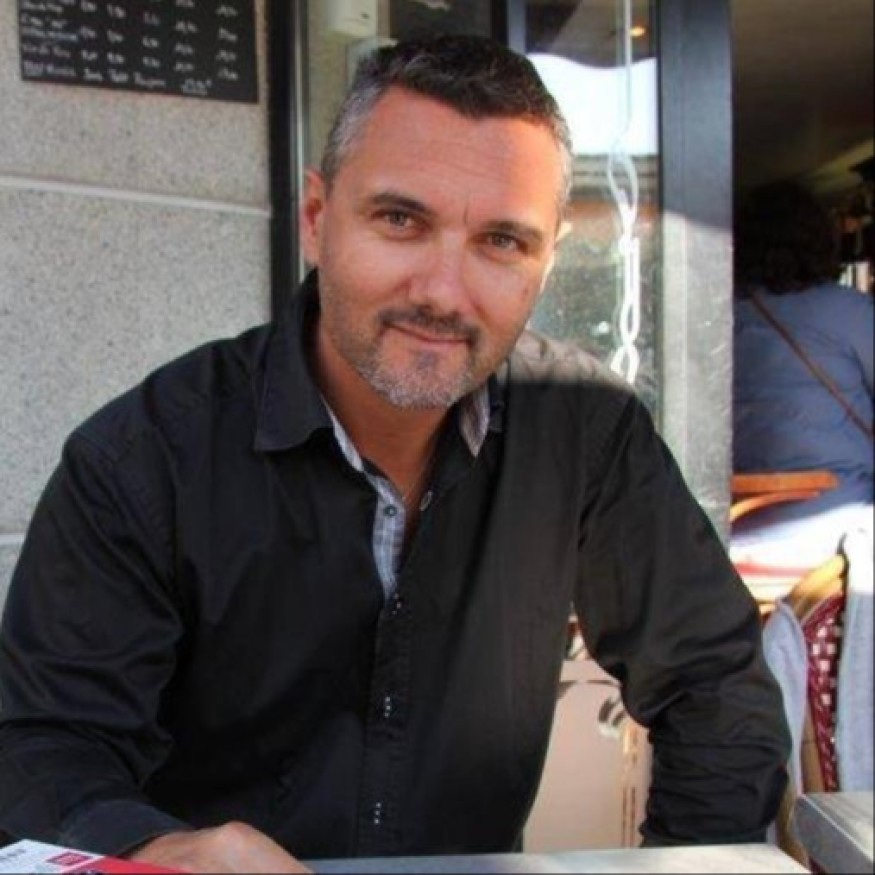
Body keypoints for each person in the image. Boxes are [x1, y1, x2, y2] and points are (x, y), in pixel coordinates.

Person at [0, 35, 789, 874]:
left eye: (501, 241)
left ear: (547, 258)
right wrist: (159, 848)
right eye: (401, 220)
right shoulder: (146, 457)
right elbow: (41, 747)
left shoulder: (584, 429)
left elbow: (715, 687)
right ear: (316, 218)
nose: (443, 293)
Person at [731, 181, 874, 571]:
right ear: (822, 242)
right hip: (838, 527)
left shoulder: (718, 316)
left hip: (734, 532)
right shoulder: (853, 312)